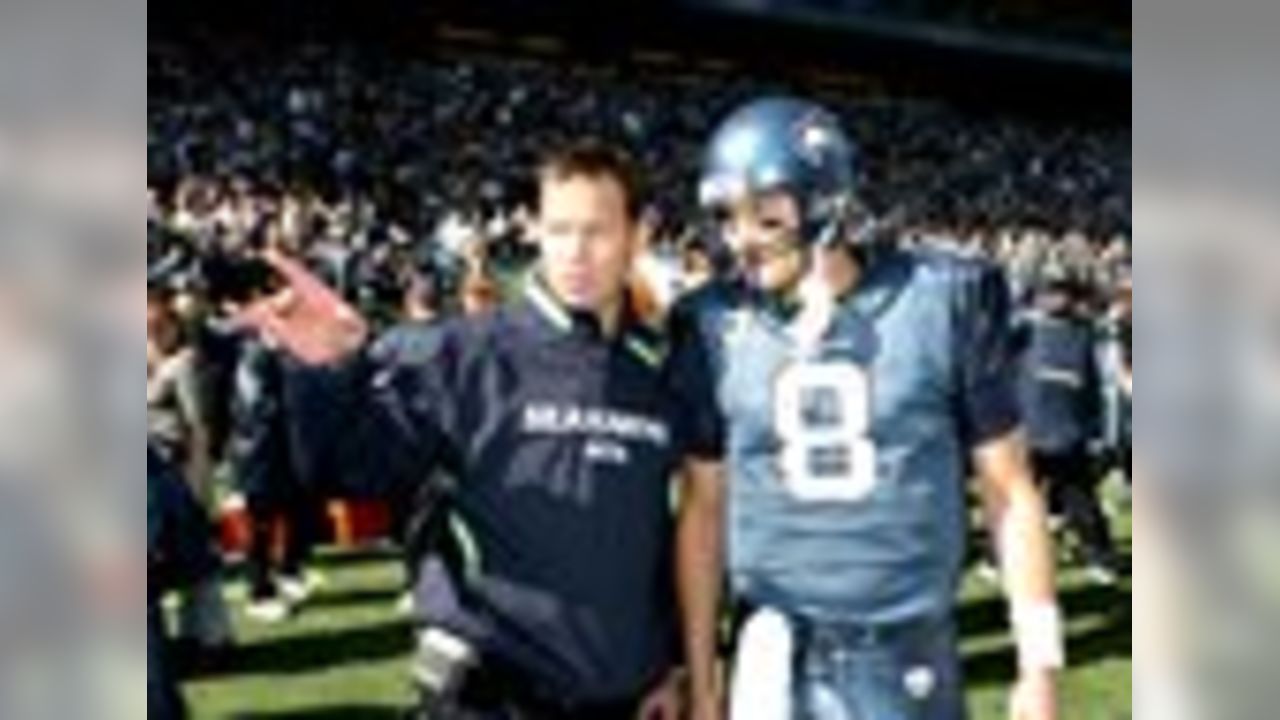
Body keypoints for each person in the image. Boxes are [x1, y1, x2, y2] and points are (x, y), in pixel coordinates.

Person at [242, 140, 686, 719]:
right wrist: (330, 372)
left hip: (623, 701)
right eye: (559, 230)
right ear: (535, 231)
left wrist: (671, 664)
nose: (575, 252)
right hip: (489, 698)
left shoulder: (661, 374)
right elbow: (349, 472)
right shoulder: (460, 353)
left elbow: (665, 539)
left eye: (597, 231)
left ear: (637, 235)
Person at [671, 98, 1062, 720]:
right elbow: (703, 508)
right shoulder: (711, 323)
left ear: (827, 204)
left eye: (766, 217)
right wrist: (701, 674)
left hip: (909, 657)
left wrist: (1040, 667)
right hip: (769, 657)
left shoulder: (942, 300)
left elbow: (1010, 490)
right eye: (727, 218)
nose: (739, 239)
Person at [1018, 274, 1121, 585]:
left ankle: (1100, 557)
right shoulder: (1024, 331)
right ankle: (1004, 559)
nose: (1053, 300)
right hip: (1028, 432)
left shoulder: (1085, 336)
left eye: (1060, 294)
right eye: (1048, 293)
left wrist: (1100, 433)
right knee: (1018, 504)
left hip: (1069, 435)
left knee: (1082, 503)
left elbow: (1099, 388)